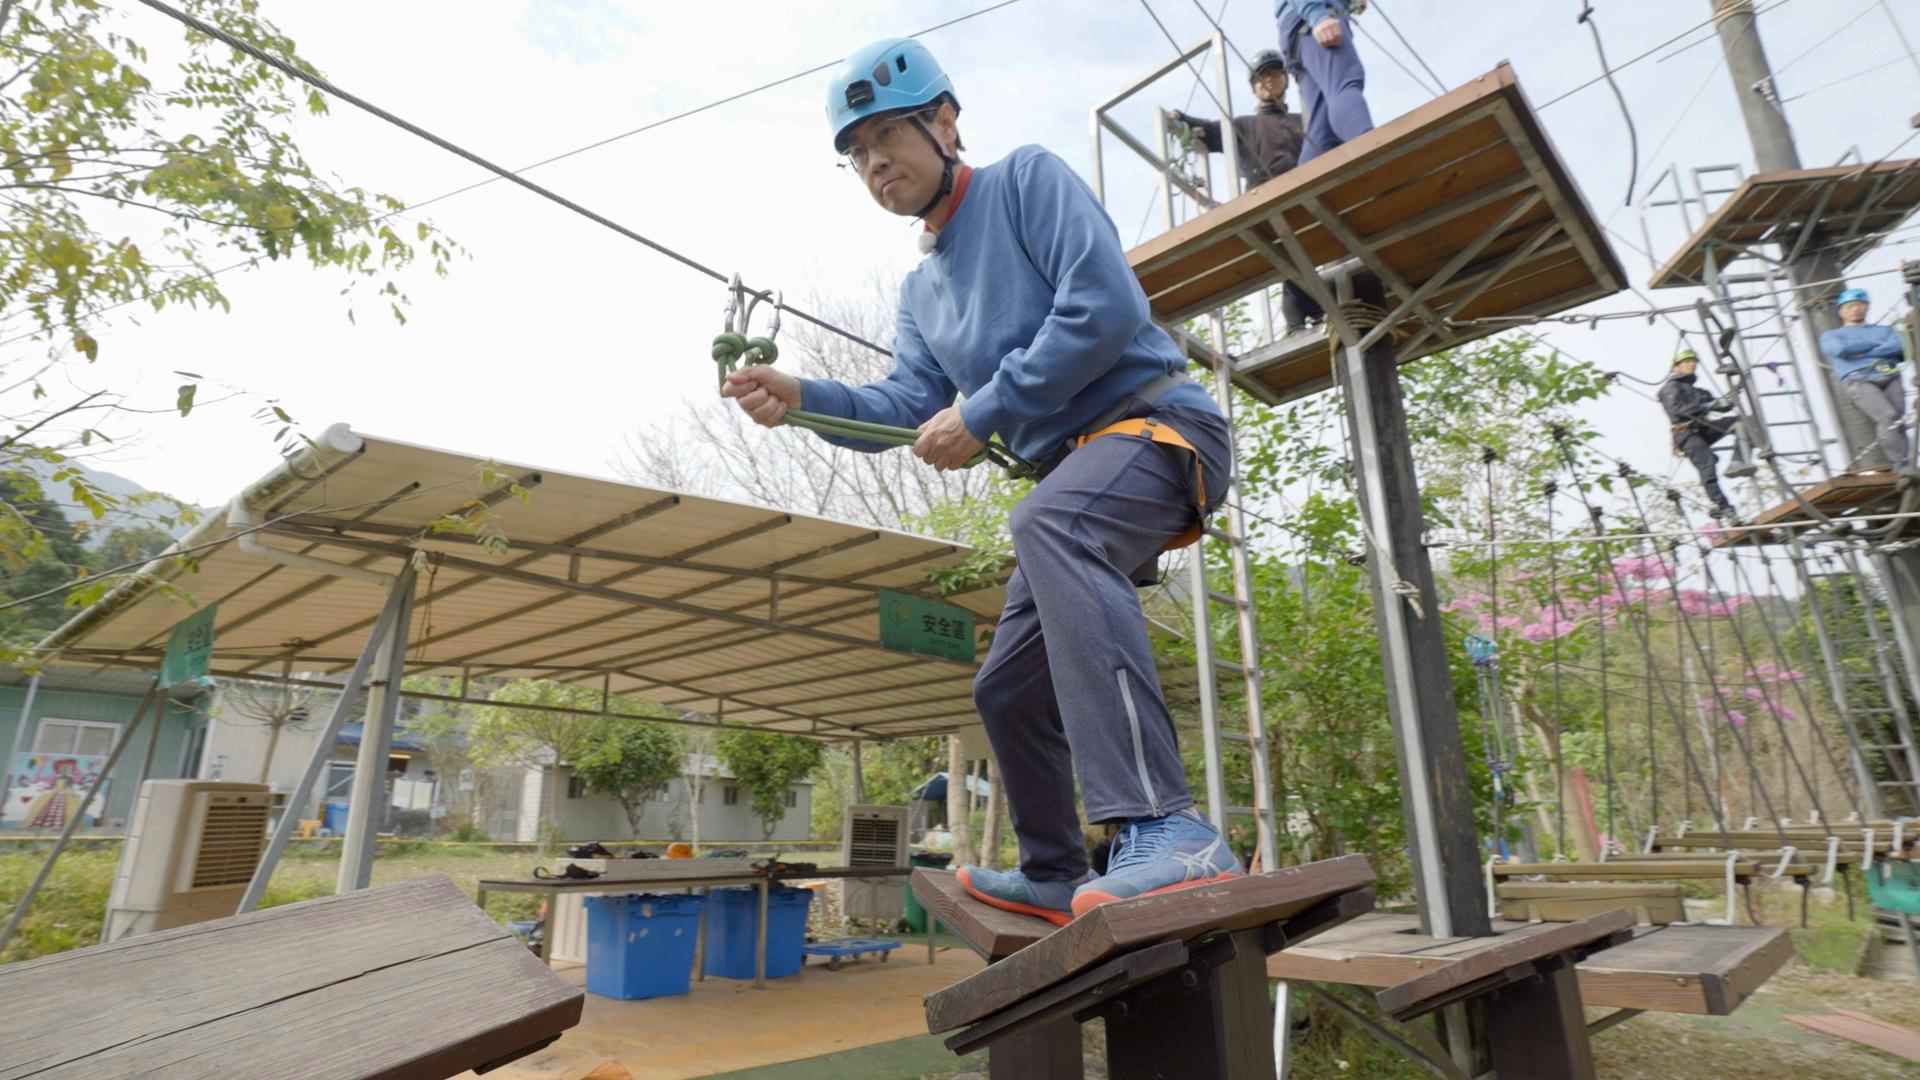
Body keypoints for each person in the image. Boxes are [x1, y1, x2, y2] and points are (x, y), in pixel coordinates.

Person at [723, 38, 1241, 925]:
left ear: (947, 122)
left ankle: (1170, 824)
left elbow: (1105, 304)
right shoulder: (921, 292)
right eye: (858, 153)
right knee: (1005, 684)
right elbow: (902, 408)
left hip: (1161, 430)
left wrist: (990, 406)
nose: (876, 161)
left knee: (1052, 523)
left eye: (889, 134)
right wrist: (802, 396)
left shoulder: (1026, 182)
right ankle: (1050, 869)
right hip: (1078, 472)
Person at [1169, 50, 1322, 335]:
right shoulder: (1244, 126)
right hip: (1264, 198)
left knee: (1305, 256)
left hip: (1304, 194)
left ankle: (1309, 315)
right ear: (1253, 88)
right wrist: (1183, 119)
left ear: (1285, 80)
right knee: (1289, 255)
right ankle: (1310, 314)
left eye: (1275, 74)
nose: (1269, 81)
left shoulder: (1304, 120)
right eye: (1262, 77)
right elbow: (1211, 132)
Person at [1819, 288, 1915, 476]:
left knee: (1898, 420)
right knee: (1887, 415)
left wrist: (1861, 352)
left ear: (1867, 307)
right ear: (1841, 311)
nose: (1855, 309)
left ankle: (1910, 463)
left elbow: (1899, 347)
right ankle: (1901, 464)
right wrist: (1879, 347)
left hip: (1890, 375)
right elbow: (1839, 349)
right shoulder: (1831, 336)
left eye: (1859, 305)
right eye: (1850, 306)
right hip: (1859, 379)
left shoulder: (1886, 330)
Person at [1659, 348, 1755, 523]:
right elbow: (1676, 411)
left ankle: (1737, 461)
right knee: (1707, 467)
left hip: (1704, 428)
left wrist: (1734, 391)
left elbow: (1720, 406)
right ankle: (1726, 509)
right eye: (1687, 362)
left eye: (1694, 361)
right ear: (1675, 367)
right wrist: (1709, 406)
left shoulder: (1699, 392)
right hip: (1686, 434)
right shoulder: (1669, 389)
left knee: (1745, 423)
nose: (1692, 364)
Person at [1276, 0, 1376, 164]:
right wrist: (1318, 15)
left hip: (1297, 29)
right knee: (1344, 85)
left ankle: (1307, 184)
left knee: (1322, 127)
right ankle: (1375, 155)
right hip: (1313, 17)